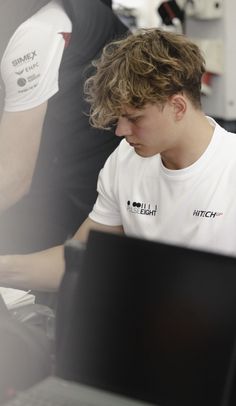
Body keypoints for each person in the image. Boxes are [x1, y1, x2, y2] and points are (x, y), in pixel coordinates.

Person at [1, 27, 236, 291]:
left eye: (134, 119)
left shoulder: (230, 170)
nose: (121, 132)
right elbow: (76, 261)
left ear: (178, 107)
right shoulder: (125, 160)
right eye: (119, 118)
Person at [0, 0, 128, 255]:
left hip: (90, 157)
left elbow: (13, 177)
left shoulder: (35, 31)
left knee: (31, 251)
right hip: (52, 144)